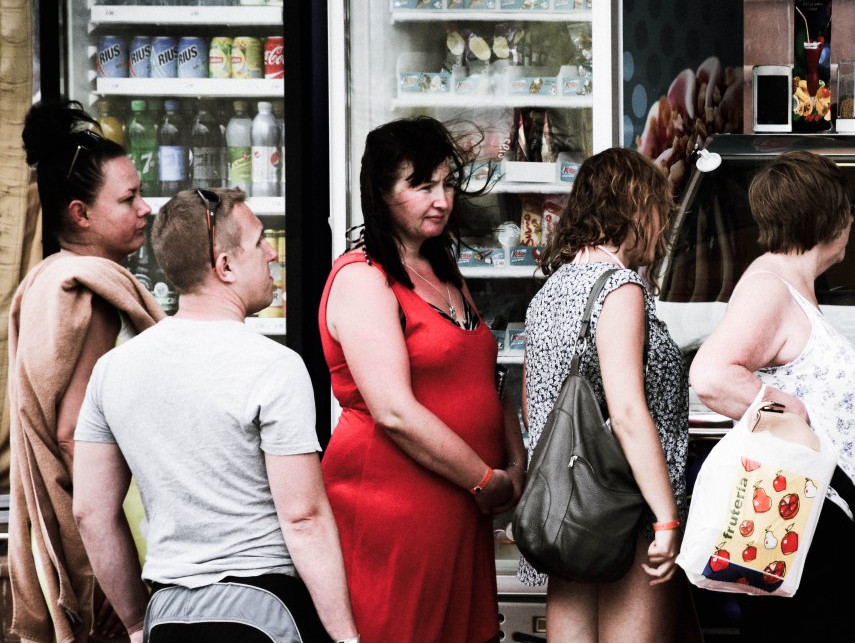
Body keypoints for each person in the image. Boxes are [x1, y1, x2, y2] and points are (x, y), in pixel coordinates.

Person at [72, 188, 359, 643]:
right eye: (260, 241)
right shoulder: (274, 366)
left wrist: (136, 624)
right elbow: (303, 518)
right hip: (264, 611)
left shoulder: (112, 370)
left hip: (168, 613)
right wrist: (346, 637)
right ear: (225, 266)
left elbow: (91, 513)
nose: (272, 254)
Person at [688, 151, 855, 641]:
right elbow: (711, 375)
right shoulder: (769, 288)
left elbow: (798, 370)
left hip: (817, 522)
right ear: (832, 218)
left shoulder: (791, 284)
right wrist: (787, 409)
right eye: (849, 208)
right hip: (802, 519)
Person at [319, 117, 522, 643]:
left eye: (448, 183)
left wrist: (514, 462)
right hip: (396, 508)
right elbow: (394, 411)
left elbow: (484, 374)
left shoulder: (440, 268)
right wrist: (484, 479)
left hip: (460, 507)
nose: (442, 200)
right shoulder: (363, 278)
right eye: (422, 185)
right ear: (381, 192)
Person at [518, 147, 691, 642]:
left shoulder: (550, 291)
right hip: (625, 506)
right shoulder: (619, 287)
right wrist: (665, 518)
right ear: (636, 208)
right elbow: (629, 412)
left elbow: (534, 404)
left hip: (566, 506)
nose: (663, 225)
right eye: (660, 210)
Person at [7, 100, 161, 643]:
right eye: (128, 198)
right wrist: (122, 585)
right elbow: (75, 437)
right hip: (110, 540)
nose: (145, 208)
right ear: (80, 214)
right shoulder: (88, 294)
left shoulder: (52, 274)